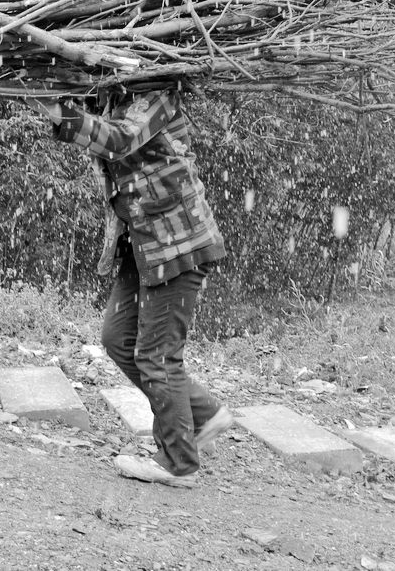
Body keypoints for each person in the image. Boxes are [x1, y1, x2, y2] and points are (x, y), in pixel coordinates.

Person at [31, 87, 233, 488]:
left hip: (179, 245)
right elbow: (101, 130)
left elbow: (119, 139)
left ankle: (179, 463)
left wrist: (64, 116)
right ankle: (203, 413)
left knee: (157, 357)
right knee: (118, 338)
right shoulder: (110, 98)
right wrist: (55, 105)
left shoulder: (158, 96)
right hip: (140, 245)